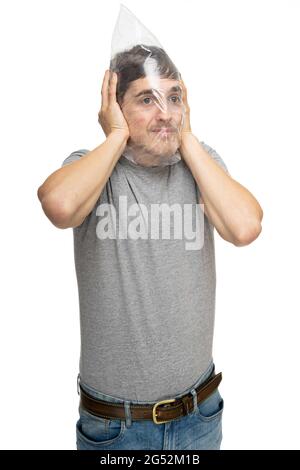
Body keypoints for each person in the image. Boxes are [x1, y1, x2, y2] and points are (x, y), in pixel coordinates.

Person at [37, 45, 263, 450]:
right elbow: (59, 205)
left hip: (200, 414)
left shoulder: (200, 165)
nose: (165, 112)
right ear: (115, 107)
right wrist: (116, 137)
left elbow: (245, 227)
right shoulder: (91, 168)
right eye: (147, 99)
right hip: (114, 427)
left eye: (173, 97)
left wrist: (187, 137)